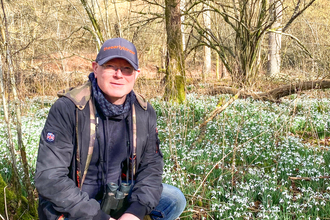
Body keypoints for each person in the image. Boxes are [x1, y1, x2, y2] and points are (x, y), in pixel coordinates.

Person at [34, 38, 186, 220]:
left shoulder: (144, 111)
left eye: (127, 69)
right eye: (111, 66)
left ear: (137, 74)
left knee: (174, 199)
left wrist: (134, 212)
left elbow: (151, 167)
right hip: (76, 205)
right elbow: (50, 177)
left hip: (118, 198)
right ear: (95, 68)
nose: (119, 75)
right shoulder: (69, 108)